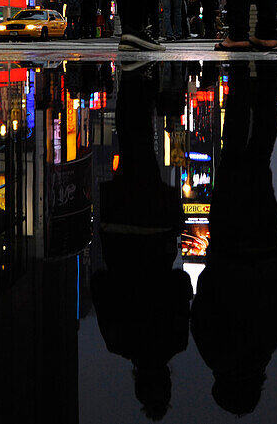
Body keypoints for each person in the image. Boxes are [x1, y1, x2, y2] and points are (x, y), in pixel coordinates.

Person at [191, 62, 277, 415]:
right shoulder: (212, 350)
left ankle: (265, 82)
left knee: (258, 162)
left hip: (267, 244)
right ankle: (240, 84)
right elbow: (201, 300)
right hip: (227, 246)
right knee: (233, 155)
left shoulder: (268, 345)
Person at [91, 62, 190, 421]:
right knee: (132, 150)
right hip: (119, 230)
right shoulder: (117, 342)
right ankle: (132, 87)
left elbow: (180, 285)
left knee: (143, 152)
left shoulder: (175, 341)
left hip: (155, 228)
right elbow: (100, 284)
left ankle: (140, 87)